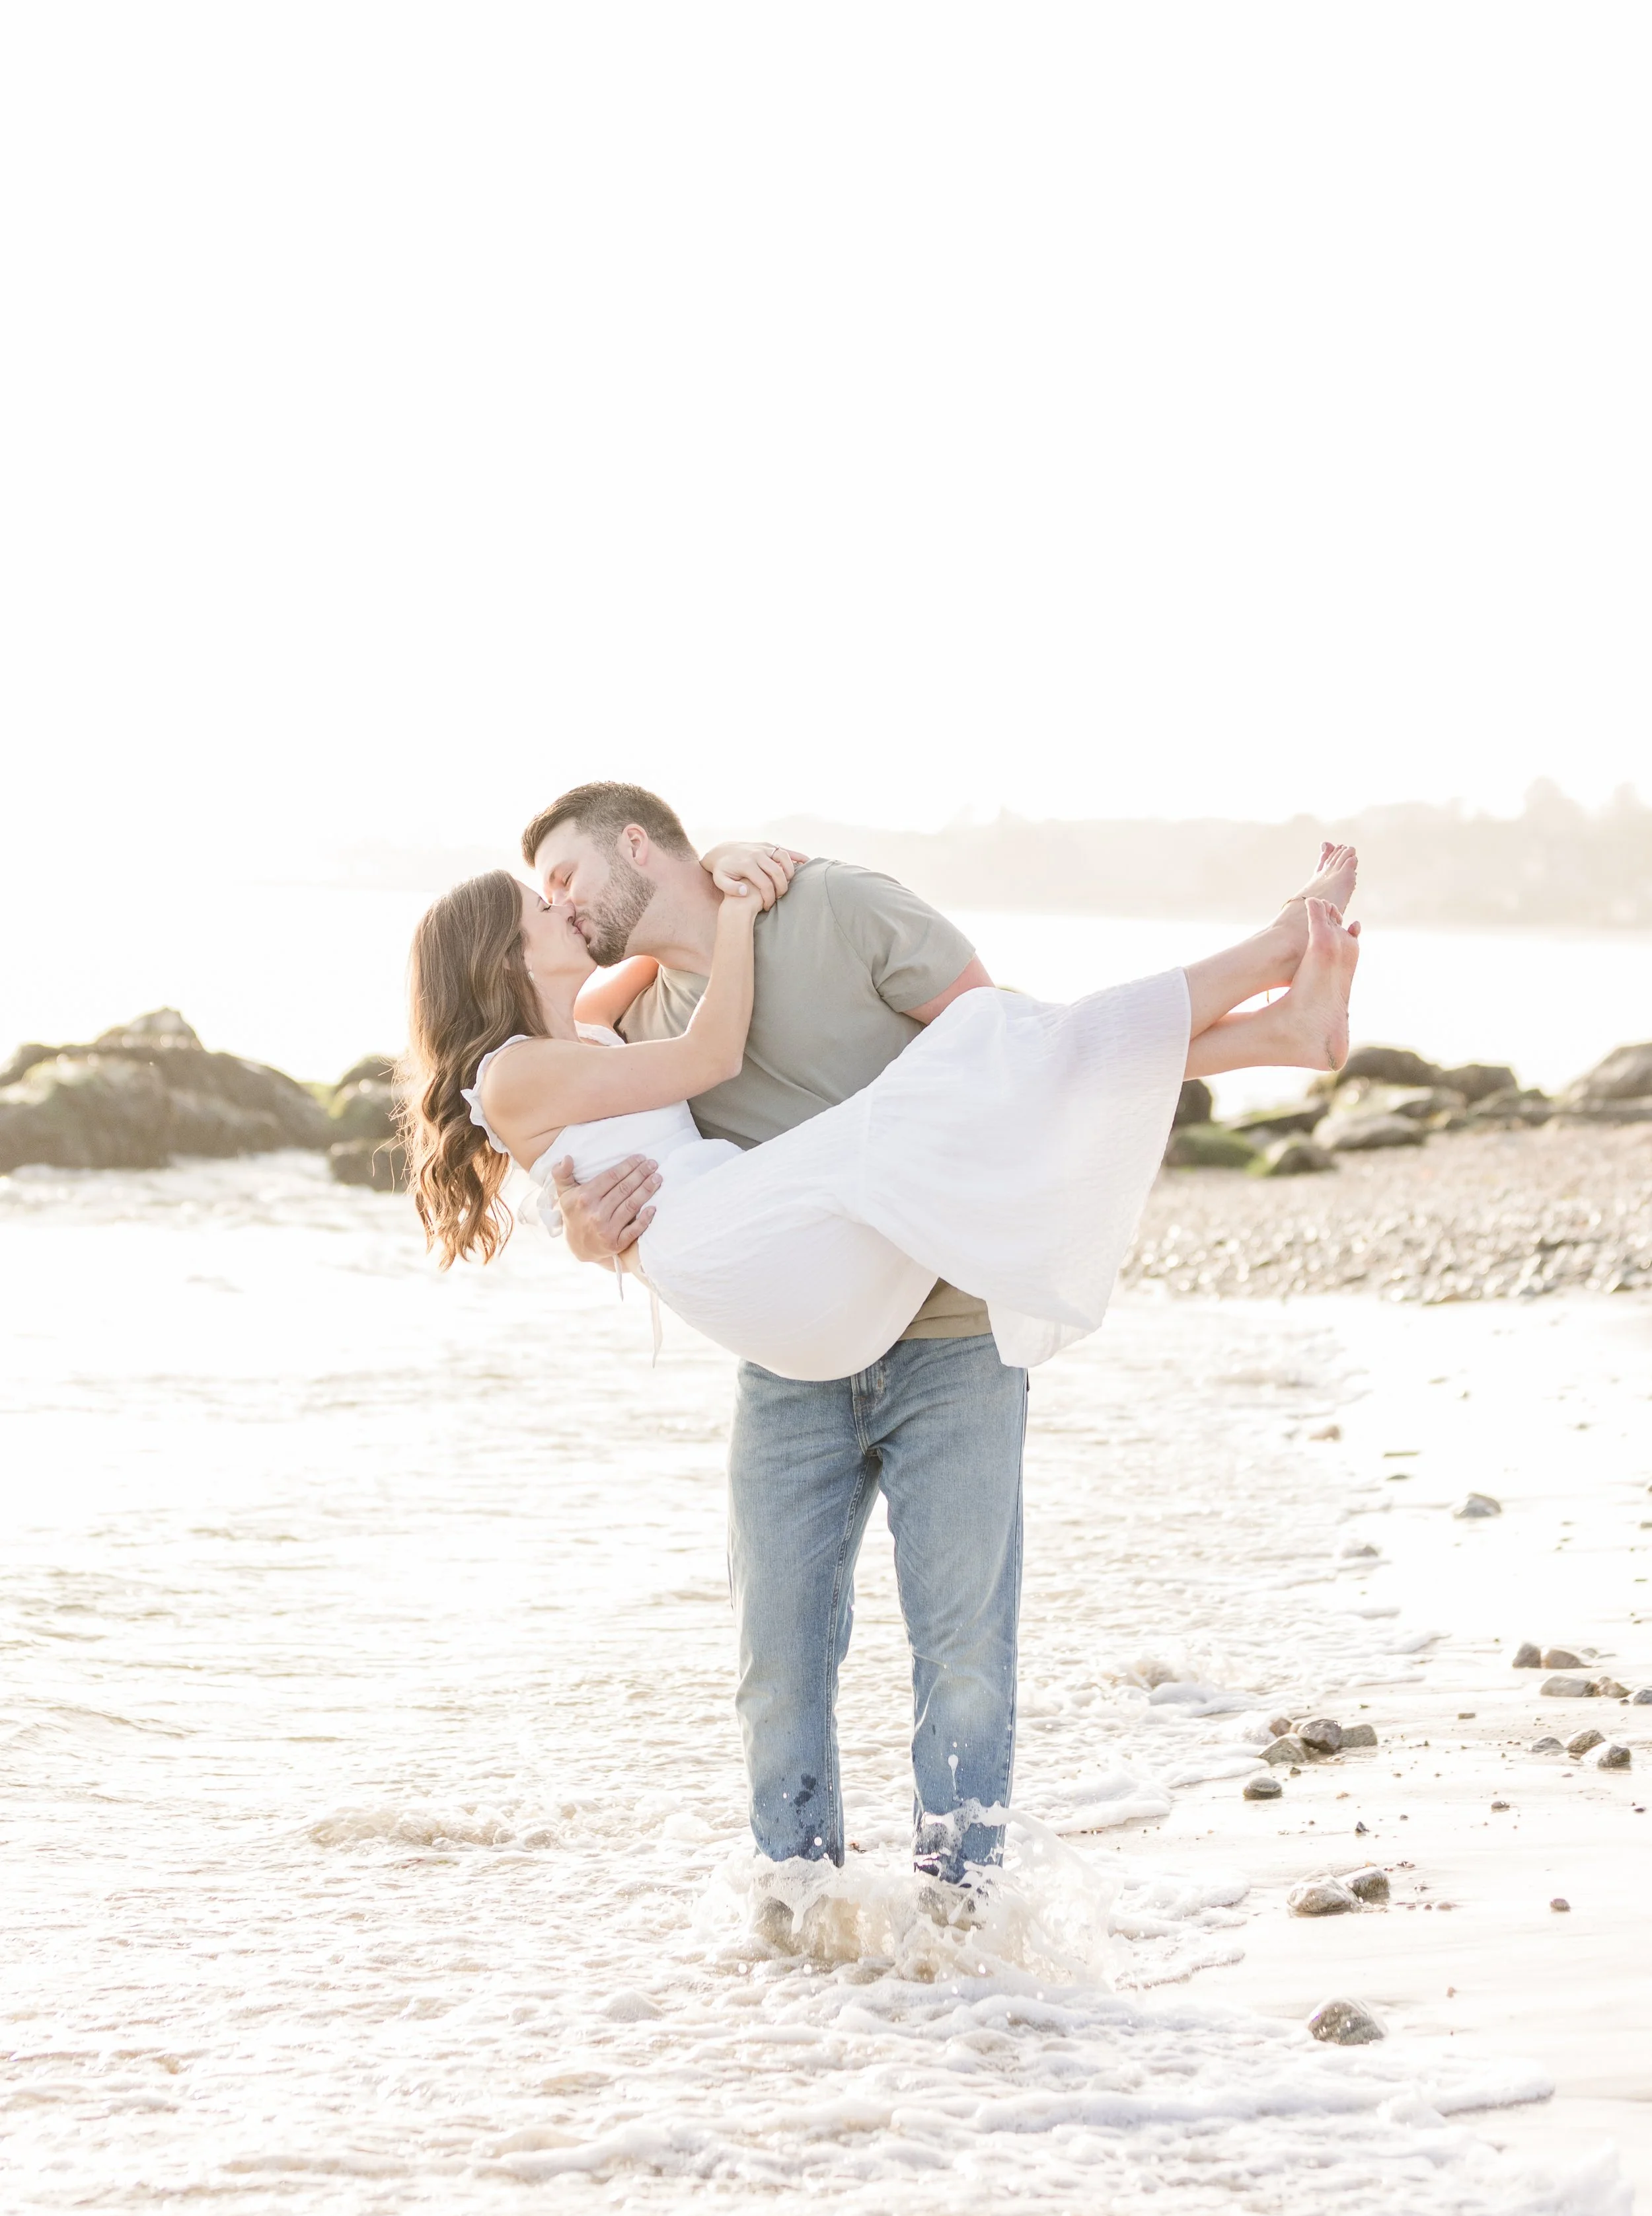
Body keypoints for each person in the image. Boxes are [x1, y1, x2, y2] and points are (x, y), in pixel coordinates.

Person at [400, 786, 1359, 1901]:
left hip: (933, 1327)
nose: (560, 906)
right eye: (540, 903)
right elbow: (632, 1099)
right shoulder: (623, 1018)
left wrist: (737, 892)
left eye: (564, 877)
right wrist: (579, 1225)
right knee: (777, 1669)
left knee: (964, 1658)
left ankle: (961, 1914)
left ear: (634, 848)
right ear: (505, 955)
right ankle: (799, 1915)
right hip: (781, 1316)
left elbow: (1012, 1062)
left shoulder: (827, 911)